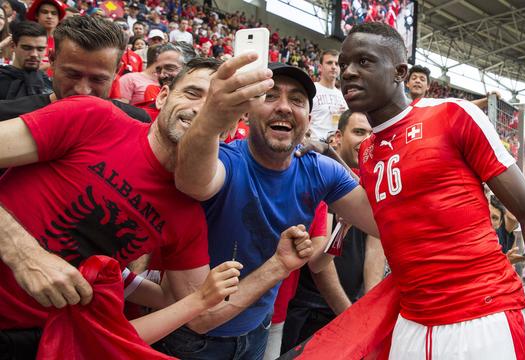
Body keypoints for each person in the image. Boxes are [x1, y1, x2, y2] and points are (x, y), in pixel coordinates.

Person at [0, 53, 315, 359]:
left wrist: (277, 266)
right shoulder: (93, 117)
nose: (201, 110)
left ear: (232, 127)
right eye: (193, 93)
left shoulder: (188, 216)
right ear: (162, 96)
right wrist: (22, 252)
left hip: (40, 342)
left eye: (218, 106)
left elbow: (193, 309)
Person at [337, 22, 525, 359]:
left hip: (483, 317)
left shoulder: (452, 115)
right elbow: (386, 224)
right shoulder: (368, 152)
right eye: (344, 64)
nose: (348, 72)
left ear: (400, 71)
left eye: (364, 61)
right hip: (412, 324)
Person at [163, 58, 379, 360]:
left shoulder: (319, 170)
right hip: (193, 341)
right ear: (248, 111)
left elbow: (381, 221)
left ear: (307, 117)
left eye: (297, 100)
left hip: (258, 331)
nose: (284, 107)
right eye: (270, 95)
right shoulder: (227, 161)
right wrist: (212, 114)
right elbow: (193, 180)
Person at [281, 110, 386, 355]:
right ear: (338, 136)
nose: (366, 140)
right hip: (312, 310)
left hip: (351, 309)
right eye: (359, 132)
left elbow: (375, 250)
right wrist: (350, 316)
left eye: (372, 134)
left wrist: (366, 317)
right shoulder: (322, 173)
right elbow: (319, 267)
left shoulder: (373, 180)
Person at [0, 16, 149, 123]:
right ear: (52, 60)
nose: (82, 90)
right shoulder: (7, 118)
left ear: (116, 70)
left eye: (98, 79)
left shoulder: (137, 122)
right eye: (72, 75)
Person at [0, 21, 51, 100]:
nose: (34, 54)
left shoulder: (48, 83)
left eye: (40, 49)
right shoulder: (2, 79)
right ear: (13, 46)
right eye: (27, 48)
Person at [308, 49, 348, 141]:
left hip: (334, 148)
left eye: (337, 64)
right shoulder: (311, 89)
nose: (334, 67)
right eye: (329, 63)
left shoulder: (342, 95)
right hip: (314, 145)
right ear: (320, 67)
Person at [25, 0, 65, 74]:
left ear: (59, 19)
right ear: (37, 15)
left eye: (54, 13)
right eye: (44, 12)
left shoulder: (64, 43)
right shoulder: (26, 39)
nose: (49, 16)